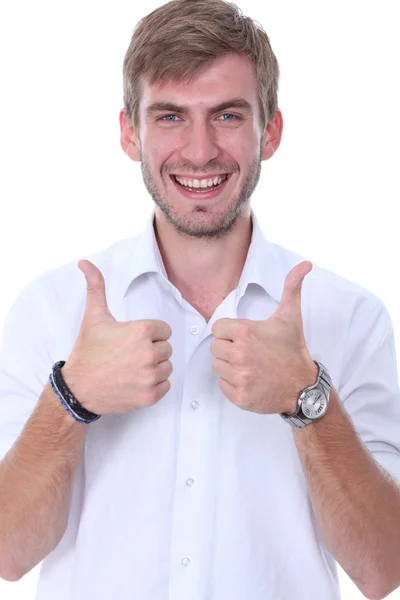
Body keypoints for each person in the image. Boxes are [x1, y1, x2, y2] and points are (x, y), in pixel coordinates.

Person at [0, 0, 399, 598]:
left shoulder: (349, 316)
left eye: (228, 115)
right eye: (169, 117)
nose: (200, 150)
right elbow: (9, 553)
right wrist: (71, 398)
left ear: (272, 130)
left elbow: (384, 569)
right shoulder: (51, 308)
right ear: (128, 133)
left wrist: (307, 398)